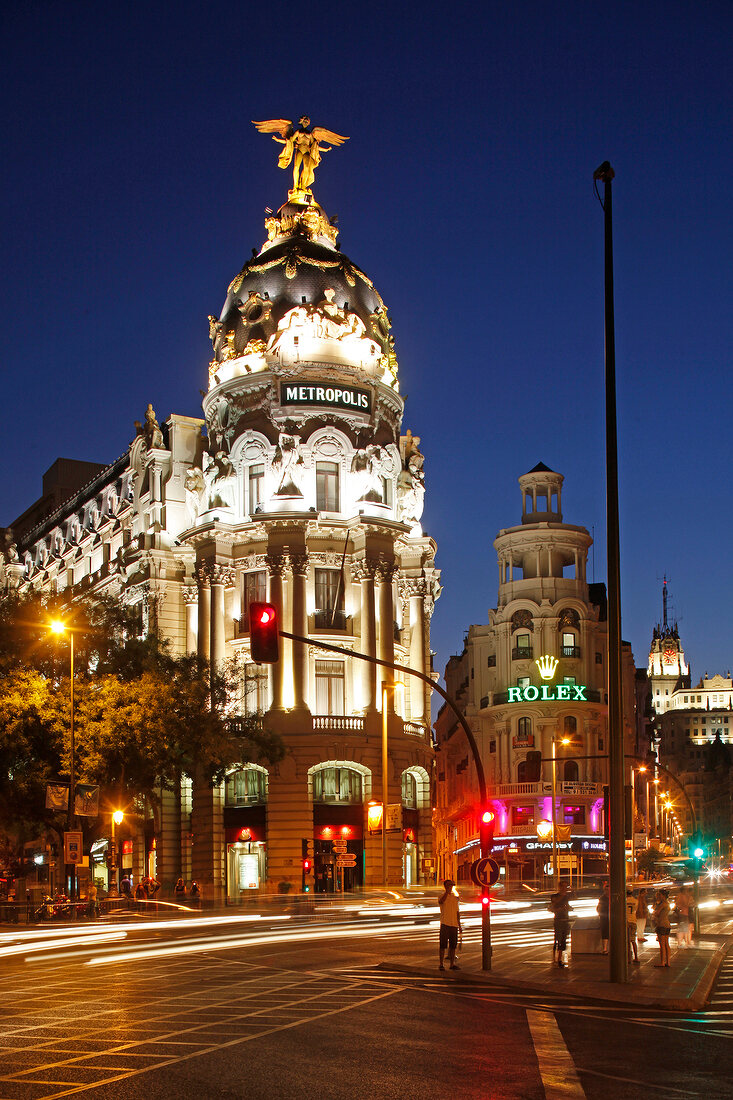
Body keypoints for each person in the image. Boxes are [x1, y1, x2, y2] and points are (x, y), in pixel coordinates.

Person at [438, 879, 461, 971]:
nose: (450, 887)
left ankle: (452, 964)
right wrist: (446, 893)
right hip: (445, 923)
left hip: (453, 924)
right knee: (443, 945)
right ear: (445, 886)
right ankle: (441, 964)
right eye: (448, 885)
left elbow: (457, 912)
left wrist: (459, 925)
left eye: (451, 885)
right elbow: (441, 902)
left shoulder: (455, 898)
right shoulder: (442, 896)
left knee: (453, 946)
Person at [549, 881, 572, 967]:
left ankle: (559, 958)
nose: (565, 888)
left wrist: (568, 908)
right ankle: (556, 958)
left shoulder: (567, 896)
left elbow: (567, 906)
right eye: (563, 887)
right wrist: (561, 907)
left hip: (565, 919)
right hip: (558, 920)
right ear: (560, 887)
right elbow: (553, 907)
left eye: (566, 886)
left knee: (563, 940)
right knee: (557, 939)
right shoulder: (555, 896)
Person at [653, 888, 672, 967]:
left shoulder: (662, 904)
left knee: (662, 945)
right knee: (666, 944)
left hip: (661, 924)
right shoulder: (667, 903)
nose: (658, 896)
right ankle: (668, 962)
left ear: (663, 896)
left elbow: (657, 913)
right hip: (667, 924)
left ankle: (662, 962)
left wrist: (654, 911)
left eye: (659, 895)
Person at [626, 888, 639, 964]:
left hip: (627, 921)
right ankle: (636, 957)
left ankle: (628, 958)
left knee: (627, 941)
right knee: (633, 940)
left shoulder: (624, 901)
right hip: (633, 920)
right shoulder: (636, 901)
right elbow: (635, 910)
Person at [597, 881, 610, 954]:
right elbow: (599, 908)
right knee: (605, 933)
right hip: (605, 918)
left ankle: (606, 948)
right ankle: (605, 949)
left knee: (607, 933)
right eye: (606, 890)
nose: (607, 891)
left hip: (607, 917)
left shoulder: (602, 898)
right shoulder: (602, 898)